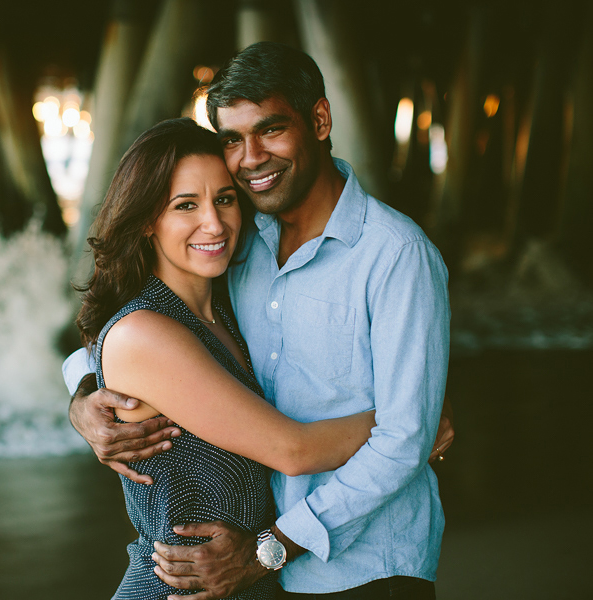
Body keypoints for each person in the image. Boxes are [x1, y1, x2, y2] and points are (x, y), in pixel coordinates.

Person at [65, 42, 452, 599]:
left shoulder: (395, 254)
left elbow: (398, 442)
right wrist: (83, 401)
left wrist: (410, 420)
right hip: (240, 575)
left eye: (271, 129)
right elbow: (125, 335)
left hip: (366, 568)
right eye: (232, 139)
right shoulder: (241, 252)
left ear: (319, 120)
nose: (250, 158)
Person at [77, 117, 380, 600]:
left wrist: (80, 397)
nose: (214, 224)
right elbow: (293, 451)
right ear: (147, 220)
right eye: (185, 206)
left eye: (224, 198)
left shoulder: (225, 306)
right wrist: (407, 425)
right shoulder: (145, 332)